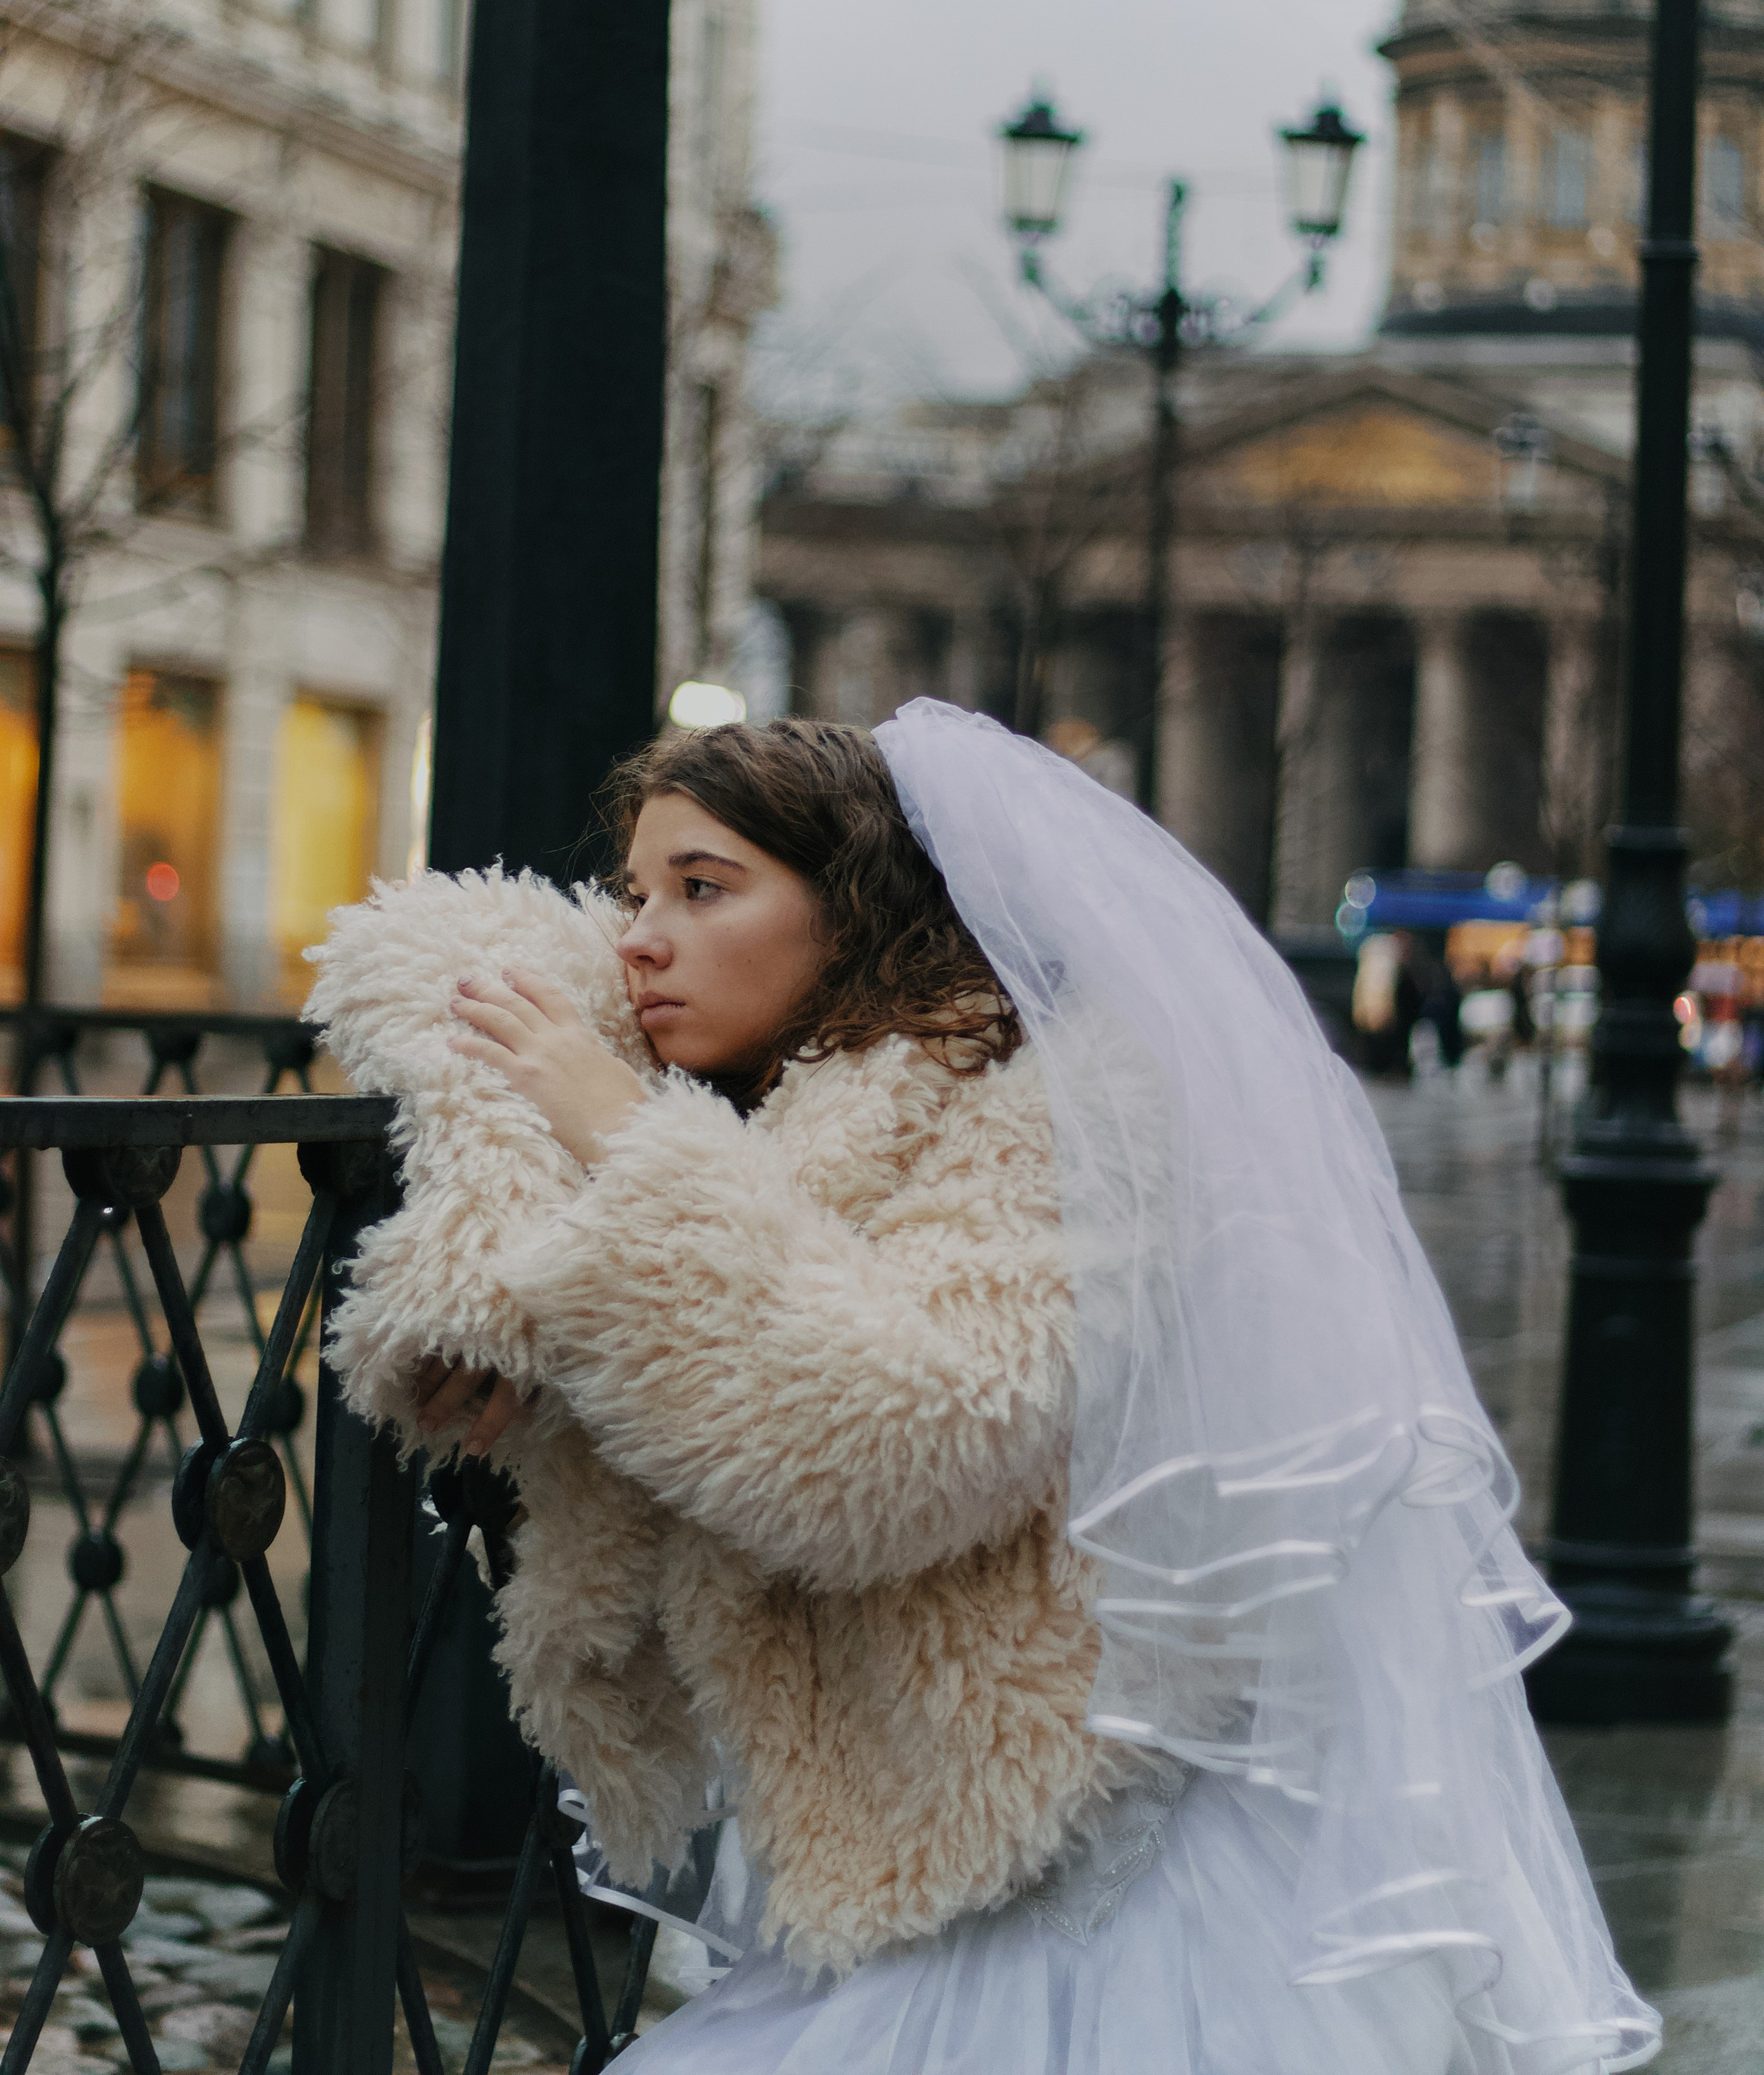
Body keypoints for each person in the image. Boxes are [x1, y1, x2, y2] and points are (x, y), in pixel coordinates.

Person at [311, 703, 1657, 2075]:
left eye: (703, 889)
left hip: (1092, 1892)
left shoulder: (1048, 1104)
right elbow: (441, 962)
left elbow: (892, 1444)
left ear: (853, 903)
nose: (638, 936)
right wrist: (497, 1286)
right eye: (632, 891)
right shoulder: (762, 1102)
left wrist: (609, 1122)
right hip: (910, 1869)